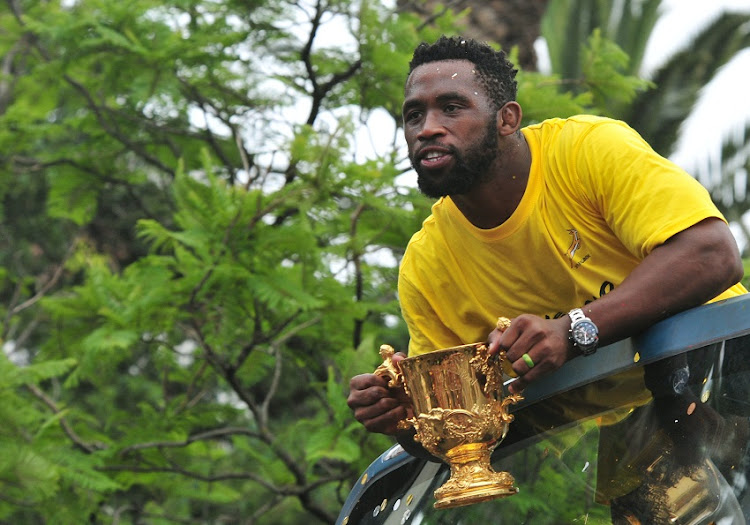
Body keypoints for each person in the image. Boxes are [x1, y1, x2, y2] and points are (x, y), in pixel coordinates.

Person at [346, 35, 748, 519]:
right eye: (414, 115)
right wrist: (401, 420)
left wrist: (577, 329)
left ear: (508, 118)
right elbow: (462, 441)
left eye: (452, 108)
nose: (428, 128)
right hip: (640, 459)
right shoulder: (427, 266)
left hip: (729, 382)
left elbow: (711, 254)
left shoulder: (586, 150)